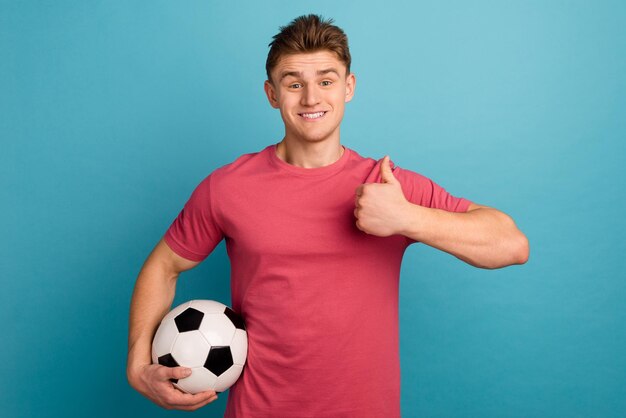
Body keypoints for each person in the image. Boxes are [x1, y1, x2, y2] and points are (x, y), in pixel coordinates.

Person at [127, 14, 529, 417]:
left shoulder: (387, 185)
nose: (311, 99)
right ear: (271, 93)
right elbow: (164, 265)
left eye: (326, 80)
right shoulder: (227, 187)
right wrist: (137, 364)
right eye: (294, 83)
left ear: (348, 87)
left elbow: (511, 245)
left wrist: (407, 218)